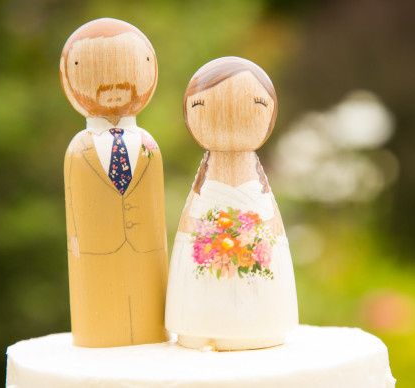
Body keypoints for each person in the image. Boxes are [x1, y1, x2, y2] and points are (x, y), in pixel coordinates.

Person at [165, 57, 298, 350]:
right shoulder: (205, 186)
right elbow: (190, 228)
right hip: (198, 326)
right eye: (204, 107)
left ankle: (261, 322)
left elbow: (272, 228)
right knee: (203, 280)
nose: (230, 115)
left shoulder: (256, 185)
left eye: (252, 106)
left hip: (265, 327)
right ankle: (199, 323)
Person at [60, 18, 167, 347]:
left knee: (148, 313)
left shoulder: (149, 145)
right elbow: (74, 203)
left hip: (148, 249)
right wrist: (76, 244)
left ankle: (149, 330)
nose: (114, 86)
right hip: (95, 250)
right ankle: (99, 333)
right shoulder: (78, 149)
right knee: (101, 310)